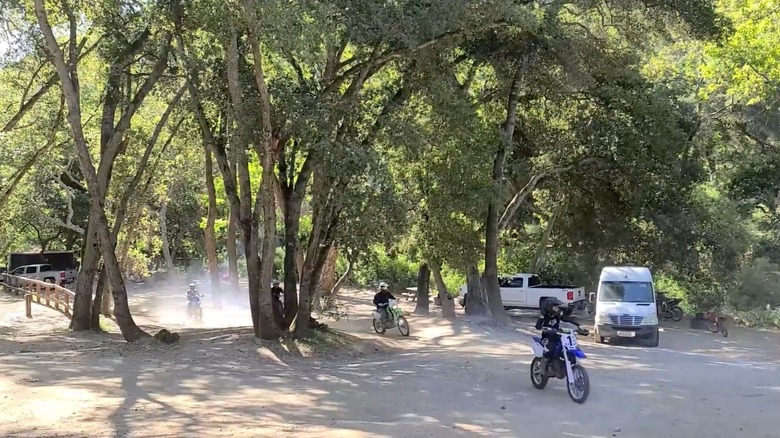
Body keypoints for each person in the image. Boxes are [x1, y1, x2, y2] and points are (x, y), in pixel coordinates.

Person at [535, 297, 584, 374]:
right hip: (547, 336)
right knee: (549, 349)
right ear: (549, 307)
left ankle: (566, 362)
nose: (557, 309)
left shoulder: (557, 315)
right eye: (555, 307)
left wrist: (578, 325)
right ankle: (542, 369)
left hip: (557, 335)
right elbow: (538, 326)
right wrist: (546, 328)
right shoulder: (544, 316)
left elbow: (566, 319)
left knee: (568, 346)